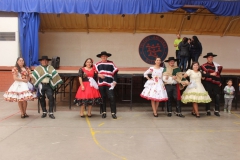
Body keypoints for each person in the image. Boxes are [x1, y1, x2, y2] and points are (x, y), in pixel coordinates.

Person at [94, 51, 118, 119]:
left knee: (112, 97)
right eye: (102, 56)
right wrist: (98, 74)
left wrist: (115, 80)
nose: (104, 57)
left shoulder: (111, 63)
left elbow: (115, 72)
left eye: (105, 56)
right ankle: (104, 112)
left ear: (107, 57)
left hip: (110, 83)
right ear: (100, 57)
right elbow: (93, 73)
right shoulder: (97, 64)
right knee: (102, 98)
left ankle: (113, 113)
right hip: (101, 83)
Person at [201, 52, 222, 116]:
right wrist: (211, 74)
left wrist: (219, 81)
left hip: (215, 82)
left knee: (217, 96)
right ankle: (208, 110)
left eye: (211, 57)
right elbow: (203, 74)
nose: (210, 58)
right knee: (208, 96)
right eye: (209, 57)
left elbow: (218, 74)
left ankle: (217, 110)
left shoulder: (216, 66)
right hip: (208, 83)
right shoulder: (203, 66)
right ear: (207, 58)